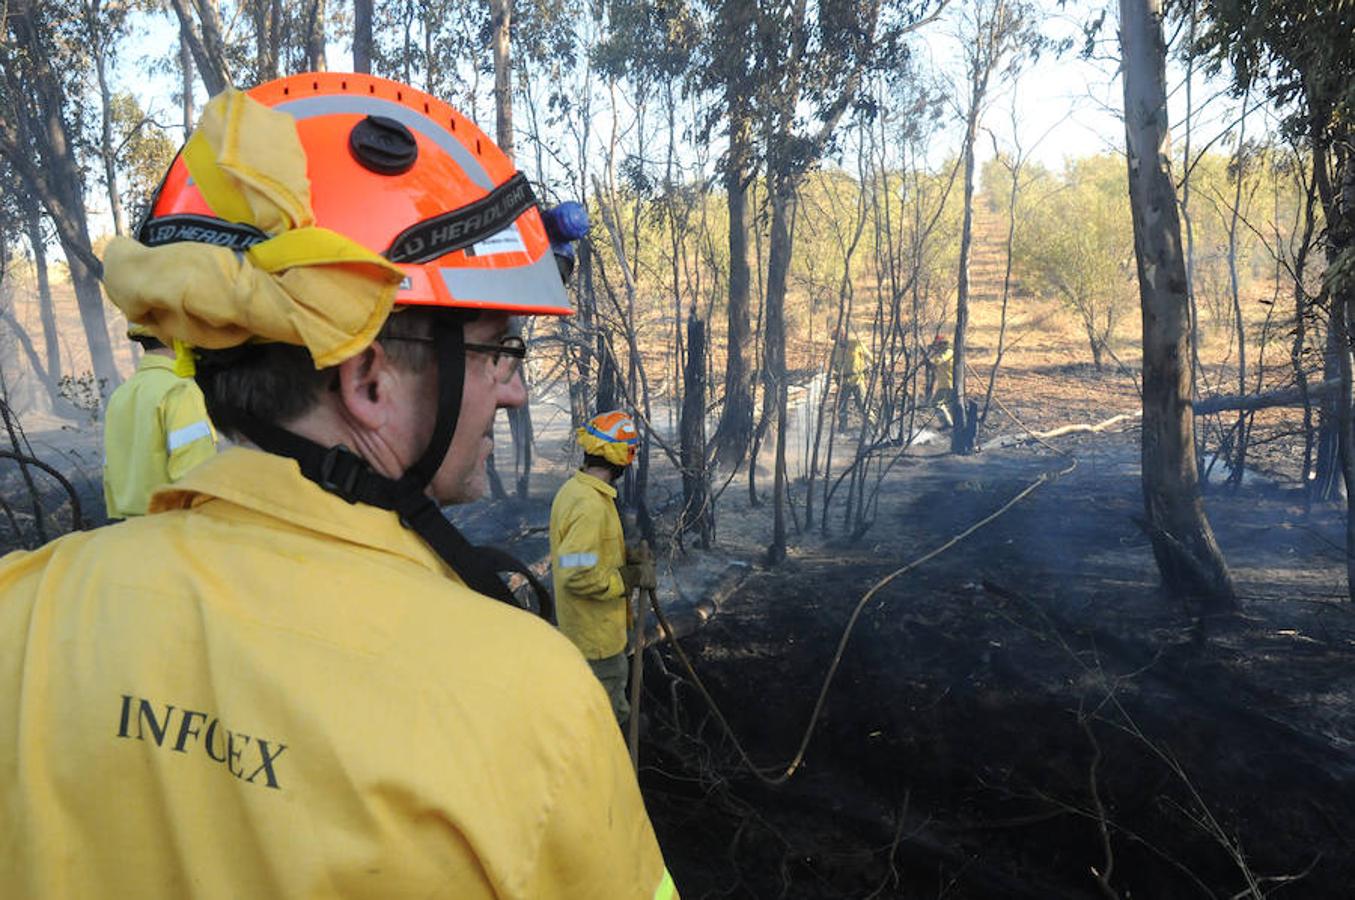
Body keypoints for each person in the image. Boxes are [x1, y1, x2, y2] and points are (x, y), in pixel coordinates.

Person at [0, 74, 675, 899]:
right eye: (502, 349)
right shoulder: (532, 704)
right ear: (369, 380)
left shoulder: (24, 609)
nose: (514, 390)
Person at [550, 410, 656, 731]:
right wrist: (627, 579)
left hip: (583, 631)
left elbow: (583, 555)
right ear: (623, 458)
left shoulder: (576, 491)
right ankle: (616, 766)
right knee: (605, 717)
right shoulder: (591, 506)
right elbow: (577, 573)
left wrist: (625, 557)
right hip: (597, 641)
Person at [102, 326, 217, 519]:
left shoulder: (121, 394)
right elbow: (194, 474)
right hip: (176, 528)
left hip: (130, 529)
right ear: (181, 340)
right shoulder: (180, 390)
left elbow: (109, 471)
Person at [830, 328, 871, 429]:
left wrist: (878, 367)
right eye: (835, 339)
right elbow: (834, 366)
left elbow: (869, 357)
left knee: (863, 405)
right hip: (844, 382)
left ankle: (871, 427)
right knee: (841, 407)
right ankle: (842, 428)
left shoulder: (856, 344)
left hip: (857, 380)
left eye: (839, 338)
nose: (837, 341)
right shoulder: (835, 351)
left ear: (844, 335)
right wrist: (836, 376)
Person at [925, 334, 955, 429]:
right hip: (943, 384)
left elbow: (938, 361)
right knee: (937, 404)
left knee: (948, 406)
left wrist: (931, 360)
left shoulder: (948, 352)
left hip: (949, 384)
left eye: (938, 345)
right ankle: (948, 423)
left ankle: (950, 424)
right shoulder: (941, 353)